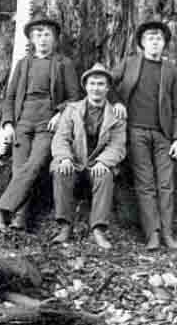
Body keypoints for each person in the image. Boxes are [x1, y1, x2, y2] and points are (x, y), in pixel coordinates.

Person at [0, 10, 81, 232]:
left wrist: (60, 114)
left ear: (54, 39)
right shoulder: (23, 64)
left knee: (35, 164)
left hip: (47, 122)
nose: (42, 38)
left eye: (47, 34)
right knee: (20, 168)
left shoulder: (63, 63)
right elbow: (10, 97)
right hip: (23, 120)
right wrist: (8, 123)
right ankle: (20, 218)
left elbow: (75, 97)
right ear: (31, 39)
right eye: (38, 34)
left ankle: (0, 210)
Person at [113, 20, 177, 250]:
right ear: (142, 43)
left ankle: (167, 233)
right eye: (150, 38)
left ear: (164, 44)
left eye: (159, 38)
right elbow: (107, 83)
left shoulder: (170, 69)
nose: (155, 41)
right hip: (135, 131)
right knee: (145, 184)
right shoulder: (130, 63)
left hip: (163, 134)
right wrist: (116, 103)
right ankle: (152, 233)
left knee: (166, 184)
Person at [50, 63, 126, 250]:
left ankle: (98, 230)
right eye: (92, 84)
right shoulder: (72, 109)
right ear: (86, 86)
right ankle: (65, 226)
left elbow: (118, 145)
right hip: (75, 161)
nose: (96, 88)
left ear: (107, 88)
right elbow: (61, 138)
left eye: (101, 84)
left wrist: (103, 161)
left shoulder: (116, 115)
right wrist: (65, 158)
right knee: (61, 171)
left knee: (105, 176)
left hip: (97, 164)